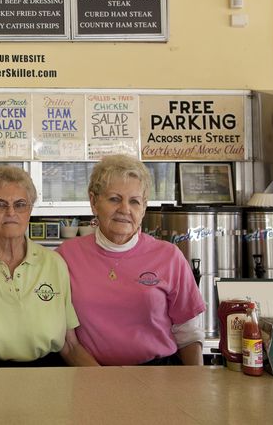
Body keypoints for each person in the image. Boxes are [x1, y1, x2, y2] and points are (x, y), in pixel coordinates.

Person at [56, 155, 206, 365]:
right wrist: (100, 382)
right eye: (114, 199)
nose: (125, 209)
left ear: (143, 208)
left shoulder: (169, 256)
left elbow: (188, 335)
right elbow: (65, 338)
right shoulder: (65, 256)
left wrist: (194, 388)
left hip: (158, 379)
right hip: (88, 377)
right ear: (93, 201)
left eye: (134, 201)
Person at [0, 165, 97, 367]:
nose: (11, 212)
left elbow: (69, 344)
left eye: (20, 204)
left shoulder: (54, 264)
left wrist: (103, 384)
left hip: (49, 379)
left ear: (30, 210)